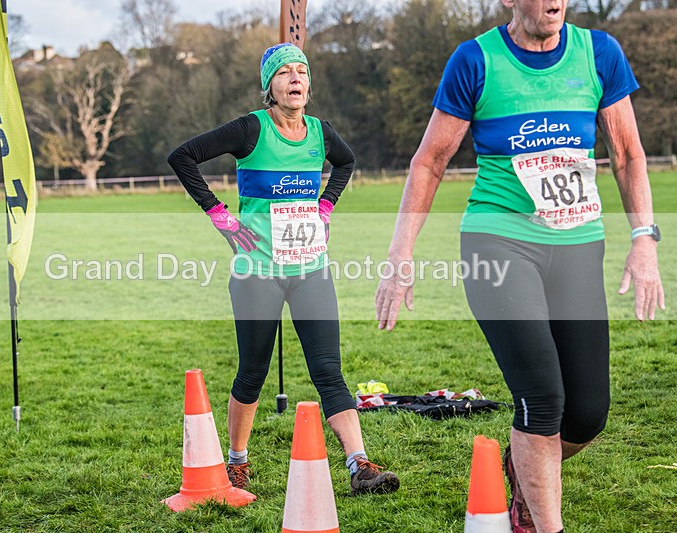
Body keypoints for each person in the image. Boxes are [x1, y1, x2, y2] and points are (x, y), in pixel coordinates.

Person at [374, 1, 664, 531]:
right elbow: (430, 161)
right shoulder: (475, 60)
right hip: (499, 243)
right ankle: (541, 521)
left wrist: (645, 239)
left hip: (578, 245)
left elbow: (627, 153)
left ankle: (522, 465)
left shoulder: (599, 53)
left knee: (586, 413)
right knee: (543, 398)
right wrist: (400, 256)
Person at [168, 43, 399, 496]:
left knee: (329, 371)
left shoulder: (320, 133)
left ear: (309, 85)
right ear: (269, 87)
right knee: (252, 371)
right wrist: (223, 218)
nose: (295, 79)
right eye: (284, 73)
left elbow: (346, 162)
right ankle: (237, 462)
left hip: (311, 268)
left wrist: (326, 207)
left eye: (301, 72)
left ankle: (359, 466)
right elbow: (183, 156)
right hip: (258, 270)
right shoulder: (250, 129)